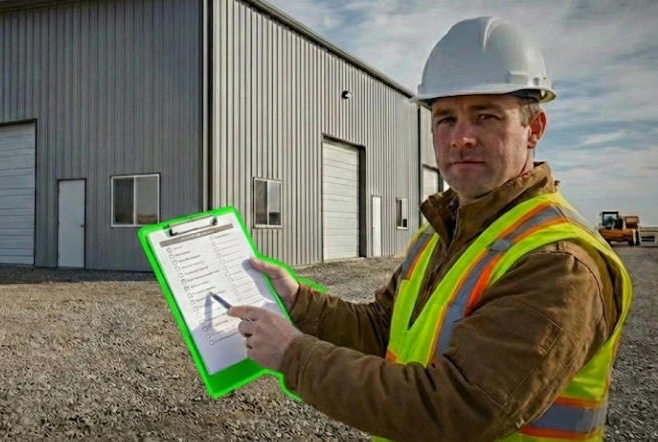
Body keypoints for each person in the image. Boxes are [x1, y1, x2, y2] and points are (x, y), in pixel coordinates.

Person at [227, 15, 633, 442]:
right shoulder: (440, 234)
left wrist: (295, 355)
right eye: (445, 119)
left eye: (486, 117)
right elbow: (383, 331)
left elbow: (455, 409)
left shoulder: (558, 263)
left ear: (534, 129)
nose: (461, 138)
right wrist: (298, 302)